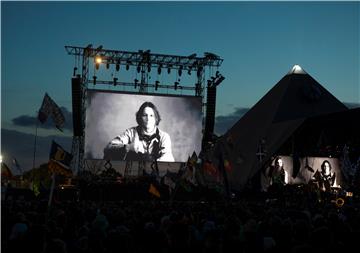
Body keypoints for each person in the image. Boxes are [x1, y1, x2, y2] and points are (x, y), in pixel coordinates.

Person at [103, 101, 175, 162]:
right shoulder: (131, 132)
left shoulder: (164, 136)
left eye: (151, 115)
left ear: (156, 118)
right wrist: (127, 147)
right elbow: (108, 148)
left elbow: (167, 158)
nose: (148, 119)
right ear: (140, 117)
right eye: (145, 115)